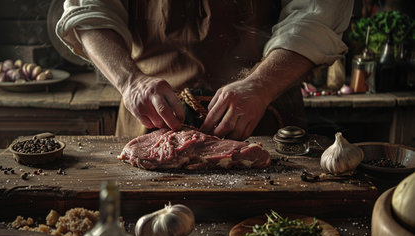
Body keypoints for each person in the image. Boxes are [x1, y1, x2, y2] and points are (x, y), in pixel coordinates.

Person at [56, 0, 353, 140]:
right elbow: (90, 11)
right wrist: (131, 81)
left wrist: (259, 86)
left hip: (264, 124)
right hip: (149, 124)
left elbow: (317, 16)